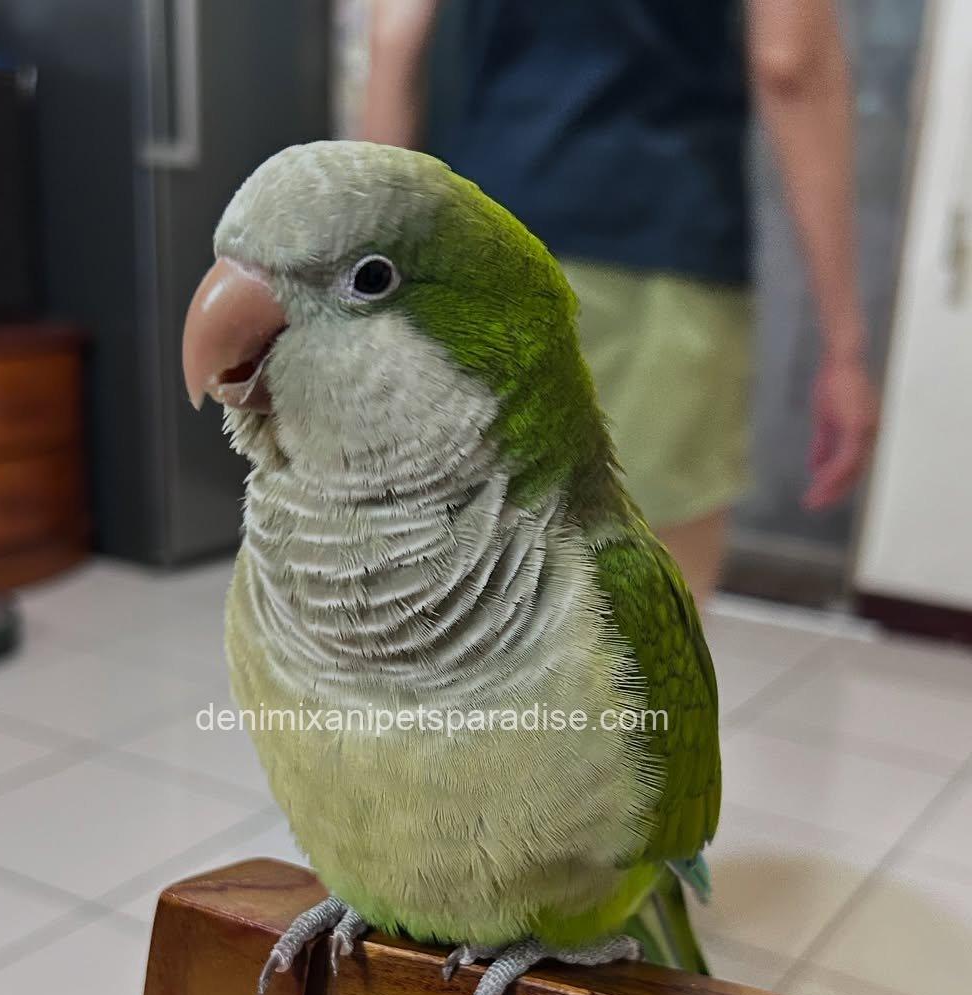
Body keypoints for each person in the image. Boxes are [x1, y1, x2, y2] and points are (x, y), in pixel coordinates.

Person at [361, 0, 879, 603]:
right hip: (655, 258)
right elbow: (792, 62)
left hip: (465, 250)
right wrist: (845, 345)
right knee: (636, 620)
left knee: (453, 594)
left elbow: (394, 40)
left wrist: (367, 278)